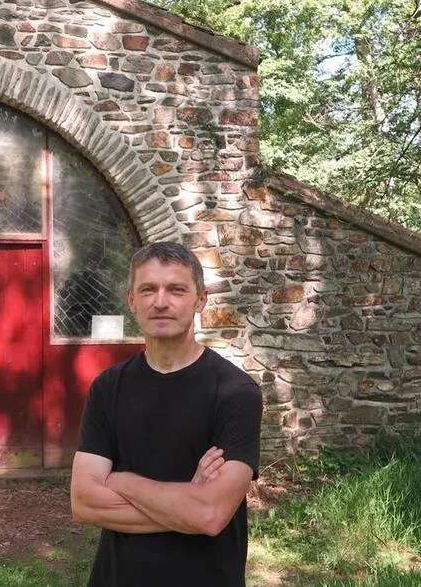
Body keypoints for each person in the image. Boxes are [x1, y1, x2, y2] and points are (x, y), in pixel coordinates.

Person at [70, 241, 264, 586]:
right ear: (132, 301)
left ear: (200, 300)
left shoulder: (236, 392)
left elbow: (210, 514)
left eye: (176, 289)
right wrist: (187, 502)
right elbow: (84, 503)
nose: (160, 302)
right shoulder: (107, 388)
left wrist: (121, 480)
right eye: (148, 290)